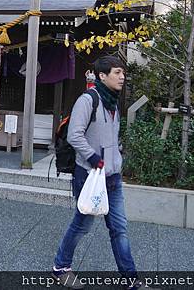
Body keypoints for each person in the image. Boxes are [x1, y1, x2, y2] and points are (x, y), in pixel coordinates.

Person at [52, 56, 150, 290]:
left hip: (112, 176)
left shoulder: (113, 102)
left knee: (119, 228)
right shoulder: (88, 100)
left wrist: (117, 156)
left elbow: (110, 138)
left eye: (123, 73)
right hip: (89, 174)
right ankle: (60, 267)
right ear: (102, 76)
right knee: (82, 224)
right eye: (117, 72)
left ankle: (131, 280)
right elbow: (75, 135)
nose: (122, 77)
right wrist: (94, 158)